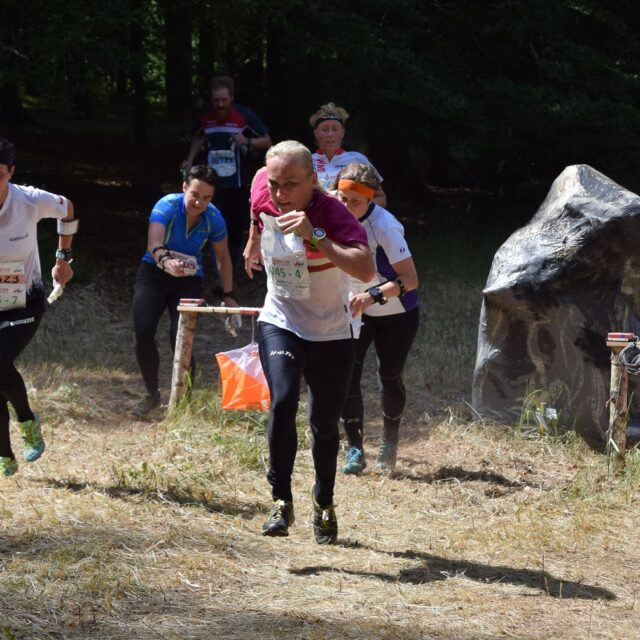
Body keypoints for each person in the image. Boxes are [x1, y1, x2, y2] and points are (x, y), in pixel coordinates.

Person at [243, 141, 374, 544]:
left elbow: (366, 269)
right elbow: (256, 208)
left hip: (331, 329)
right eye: (276, 183)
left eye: (291, 185)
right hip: (281, 318)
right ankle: (281, 501)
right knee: (282, 400)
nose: (280, 194)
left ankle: (324, 501)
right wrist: (251, 241)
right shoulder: (263, 187)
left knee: (323, 425)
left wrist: (313, 234)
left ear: (314, 182)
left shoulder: (331, 213)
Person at [132, 165, 237, 417]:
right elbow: (154, 242)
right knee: (143, 330)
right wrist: (166, 261)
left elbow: (222, 257)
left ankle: (183, 402)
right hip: (154, 273)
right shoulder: (167, 205)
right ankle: (151, 393)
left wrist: (228, 293)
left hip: (189, 280)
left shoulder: (214, 217)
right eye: (195, 194)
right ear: (184, 188)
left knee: (180, 337)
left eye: (207, 197)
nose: (199, 202)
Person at [335, 163, 419, 474]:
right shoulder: (332, 212)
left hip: (397, 313)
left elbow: (410, 279)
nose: (345, 207)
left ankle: (390, 440)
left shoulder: (385, 225)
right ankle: (354, 447)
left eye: (354, 202)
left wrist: (371, 295)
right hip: (356, 311)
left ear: (372, 199)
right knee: (347, 375)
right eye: (342, 198)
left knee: (389, 376)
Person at [0, 137, 76, 477]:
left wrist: (63, 258)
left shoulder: (27, 201)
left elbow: (68, 208)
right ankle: (4, 453)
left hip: (25, 298)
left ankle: (27, 421)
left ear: (11, 172)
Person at [183, 76, 272, 274]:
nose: (221, 104)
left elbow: (266, 140)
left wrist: (247, 141)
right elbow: (199, 135)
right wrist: (190, 159)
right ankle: (220, 272)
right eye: (217, 100)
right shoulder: (205, 116)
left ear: (232, 97)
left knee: (235, 226)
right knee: (215, 223)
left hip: (239, 182)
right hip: (212, 184)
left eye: (224, 100)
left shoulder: (244, 114)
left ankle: (233, 265)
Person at [309, 102, 387, 207]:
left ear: (342, 133)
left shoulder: (358, 159)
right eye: (324, 129)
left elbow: (380, 198)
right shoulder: (306, 160)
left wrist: (359, 213)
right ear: (316, 134)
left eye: (335, 129)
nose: (330, 134)